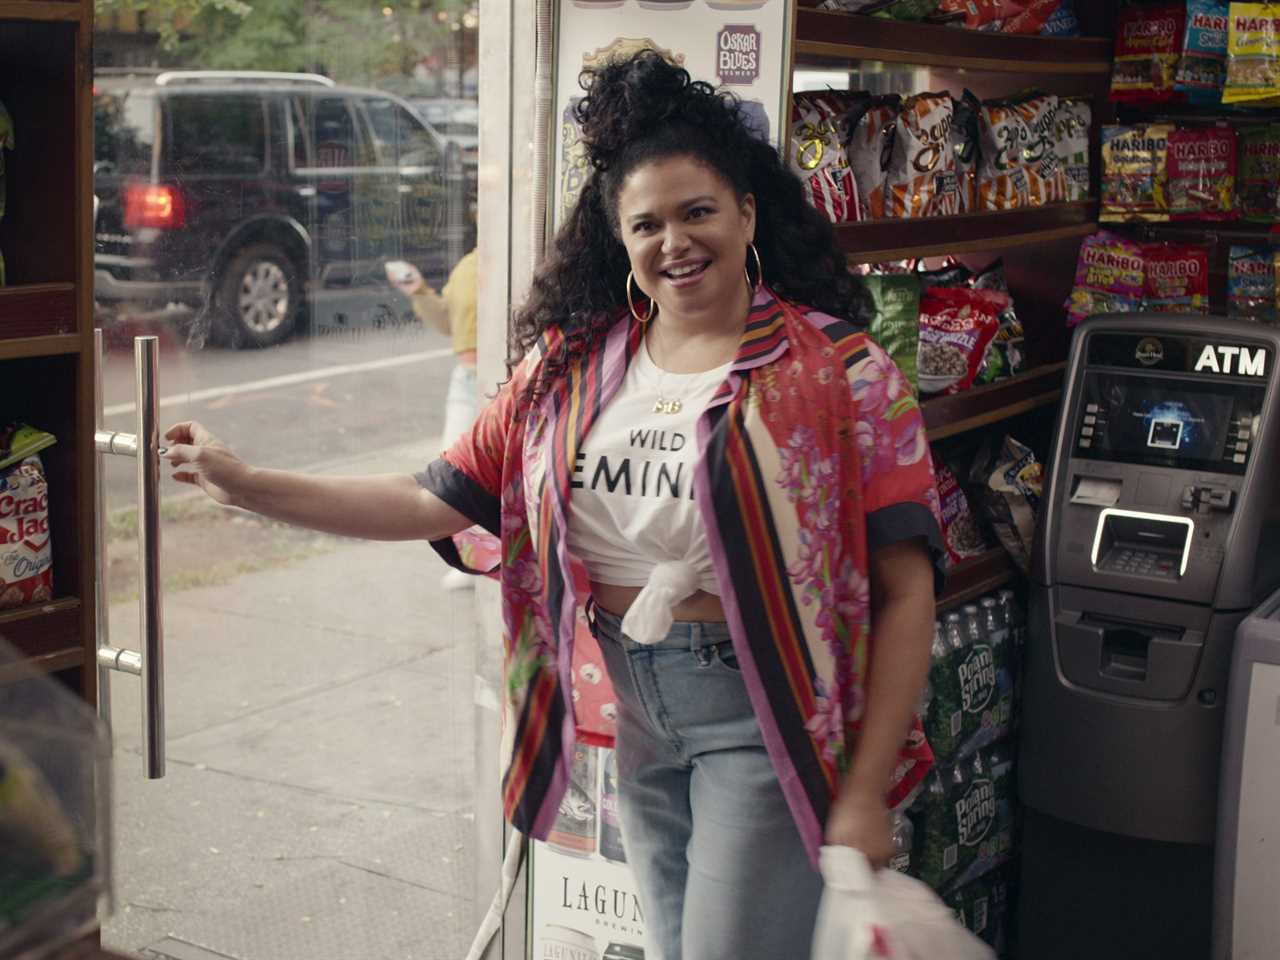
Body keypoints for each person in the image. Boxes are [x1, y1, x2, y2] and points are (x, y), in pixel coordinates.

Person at [165, 51, 944, 960]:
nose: (675, 242)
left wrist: (857, 792)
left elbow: (907, 589)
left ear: (747, 213)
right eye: (646, 223)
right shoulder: (569, 372)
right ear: (621, 240)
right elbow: (431, 500)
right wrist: (249, 485)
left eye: (699, 212)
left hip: (765, 712)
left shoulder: (843, 372)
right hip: (638, 707)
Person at [386, 246, 480, 591]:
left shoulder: (514, 257)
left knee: (479, 476)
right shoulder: (467, 266)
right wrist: (419, 292)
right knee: (451, 474)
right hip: (466, 379)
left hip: (497, 379)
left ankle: (482, 557)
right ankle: (468, 558)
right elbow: (447, 321)